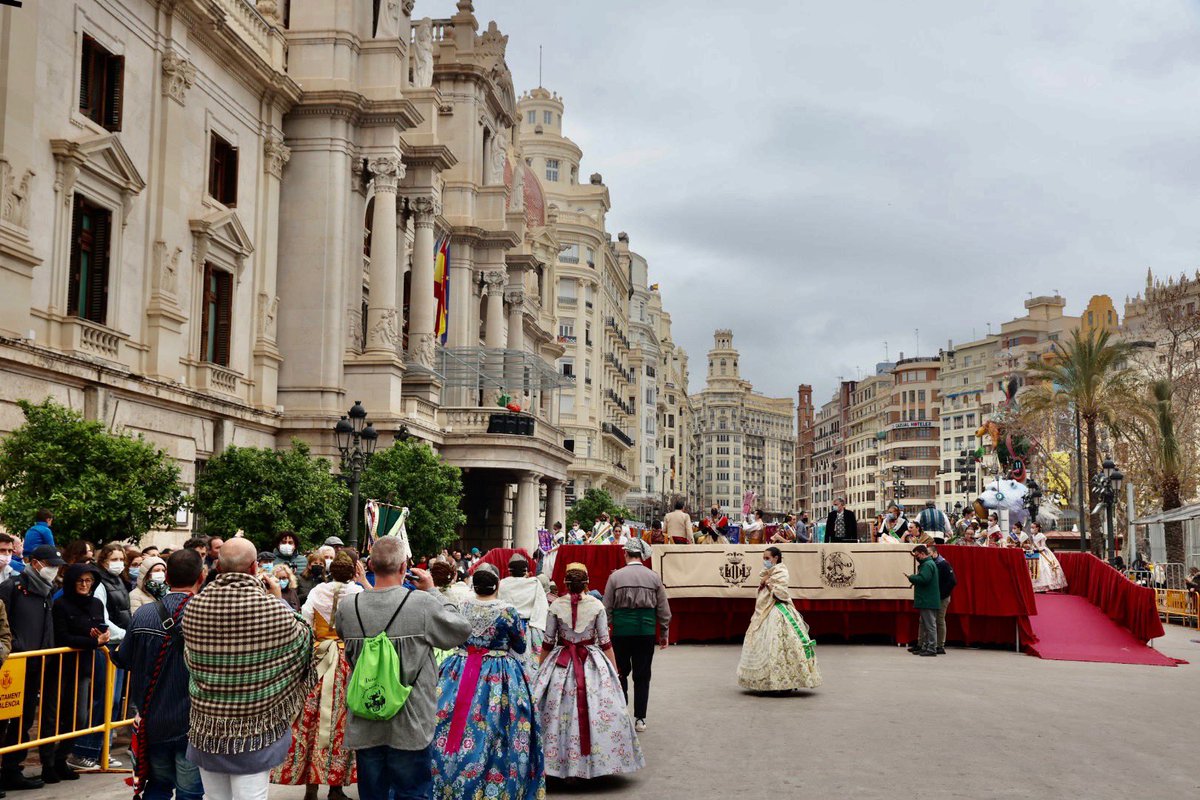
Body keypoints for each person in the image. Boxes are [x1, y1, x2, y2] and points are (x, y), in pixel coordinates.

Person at [335, 536, 470, 800]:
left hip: (366, 719)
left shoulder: (349, 607)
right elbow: (459, 630)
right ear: (403, 567)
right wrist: (432, 590)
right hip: (411, 720)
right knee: (412, 792)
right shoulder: (422, 604)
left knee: (373, 793)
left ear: (371, 565)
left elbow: (346, 642)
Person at [182, 537, 315, 800]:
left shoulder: (195, 606)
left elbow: (191, 657)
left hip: (207, 726)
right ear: (255, 567)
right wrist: (278, 599)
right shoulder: (273, 611)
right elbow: (304, 640)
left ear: (218, 566)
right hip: (255, 727)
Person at [431, 563, 543, 798]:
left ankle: (446, 780)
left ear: (474, 586)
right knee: (499, 728)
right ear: (497, 584)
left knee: (448, 720)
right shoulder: (507, 611)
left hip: (459, 669)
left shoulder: (462, 606)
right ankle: (496, 783)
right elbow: (520, 645)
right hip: (498, 673)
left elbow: (455, 637)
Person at [534, 563, 644, 779]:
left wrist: (541, 671)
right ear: (587, 582)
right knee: (597, 709)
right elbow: (605, 642)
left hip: (561, 662)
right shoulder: (596, 606)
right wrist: (614, 670)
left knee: (557, 713)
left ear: (565, 583)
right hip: (592, 661)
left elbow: (548, 642)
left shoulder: (555, 606)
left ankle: (559, 764)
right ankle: (595, 763)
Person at [114, 550, 206, 800]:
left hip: (152, 720)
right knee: (190, 793)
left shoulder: (144, 614)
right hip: (192, 723)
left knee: (157, 787)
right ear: (202, 576)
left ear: (166, 577)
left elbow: (123, 658)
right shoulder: (206, 616)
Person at [274, 551, 362, 800]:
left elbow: (306, 620)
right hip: (346, 661)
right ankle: (336, 786)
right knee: (340, 722)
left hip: (319, 658)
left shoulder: (317, 591)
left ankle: (310, 787)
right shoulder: (357, 593)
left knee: (309, 721)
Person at [0, 545, 64, 790]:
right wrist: (16, 646)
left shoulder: (48, 590)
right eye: (50, 564)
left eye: (56, 566)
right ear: (35, 562)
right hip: (13, 664)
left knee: (24, 718)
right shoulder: (12, 588)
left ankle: (12, 769)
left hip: (37, 664)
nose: (53, 570)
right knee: (3, 720)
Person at [603, 538, 670, 731]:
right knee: (642, 675)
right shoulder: (653, 577)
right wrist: (664, 632)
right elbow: (663, 609)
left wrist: (607, 629)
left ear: (626, 554)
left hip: (621, 633)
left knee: (621, 673)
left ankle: (622, 714)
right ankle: (640, 718)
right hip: (645, 632)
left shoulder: (615, 577)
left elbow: (606, 607)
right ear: (641, 555)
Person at [54, 563, 111, 780]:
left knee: (80, 715)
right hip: (63, 667)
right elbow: (62, 636)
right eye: (81, 581)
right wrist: (92, 640)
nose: (85, 585)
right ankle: (52, 761)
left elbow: (100, 627)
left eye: (89, 581)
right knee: (59, 716)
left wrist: (100, 637)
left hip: (87, 665)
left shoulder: (95, 603)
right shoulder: (61, 604)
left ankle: (62, 757)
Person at [736, 547, 821, 691]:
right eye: (764, 558)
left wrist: (767, 582)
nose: (765, 561)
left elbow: (781, 593)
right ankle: (764, 681)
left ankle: (785, 680)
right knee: (763, 644)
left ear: (776, 558)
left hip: (778, 609)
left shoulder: (781, 571)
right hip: (764, 611)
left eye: (767, 558)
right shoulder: (768, 573)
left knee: (778, 644)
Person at [498, 552, 550, 680]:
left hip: (507, 627)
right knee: (532, 664)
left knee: (508, 661)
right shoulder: (534, 583)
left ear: (509, 570)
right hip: (530, 627)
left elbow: (498, 605)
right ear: (526, 570)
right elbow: (542, 606)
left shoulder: (503, 584)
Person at [905, 545, 941, 657]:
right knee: (927, 625)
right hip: (927, 599)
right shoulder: (929, 564)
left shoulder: (927, 565)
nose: (916, 557)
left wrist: (912, 577)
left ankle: (931, 648)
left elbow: (924, 579)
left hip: (927, 600)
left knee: (929, 625)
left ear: (921, 553)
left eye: (916, 555)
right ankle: (926, 647)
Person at [928, 544, 957, 655]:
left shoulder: (943, 564)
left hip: (942, 597)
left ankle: (940, 645)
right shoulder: (935, 563)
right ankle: (933, 644)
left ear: (935, 553)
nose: (928, 556)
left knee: (939, 620)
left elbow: (952, 581)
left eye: (929, 554)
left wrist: (942, 594)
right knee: (933, 621)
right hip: (936, 596)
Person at [1029, 522, 1067, 592]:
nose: (1031, 529)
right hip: (1034, 553)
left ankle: (1044, 587)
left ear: (1037, 528)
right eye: (1031, 527)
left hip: (1041, 553)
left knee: (1044, 569)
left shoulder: (1041, 536)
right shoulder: (1032, 536)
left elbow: (1042, 546)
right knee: (1033, 569)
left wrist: (1036, 549)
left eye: (1033, 527)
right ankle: (1035, 587)